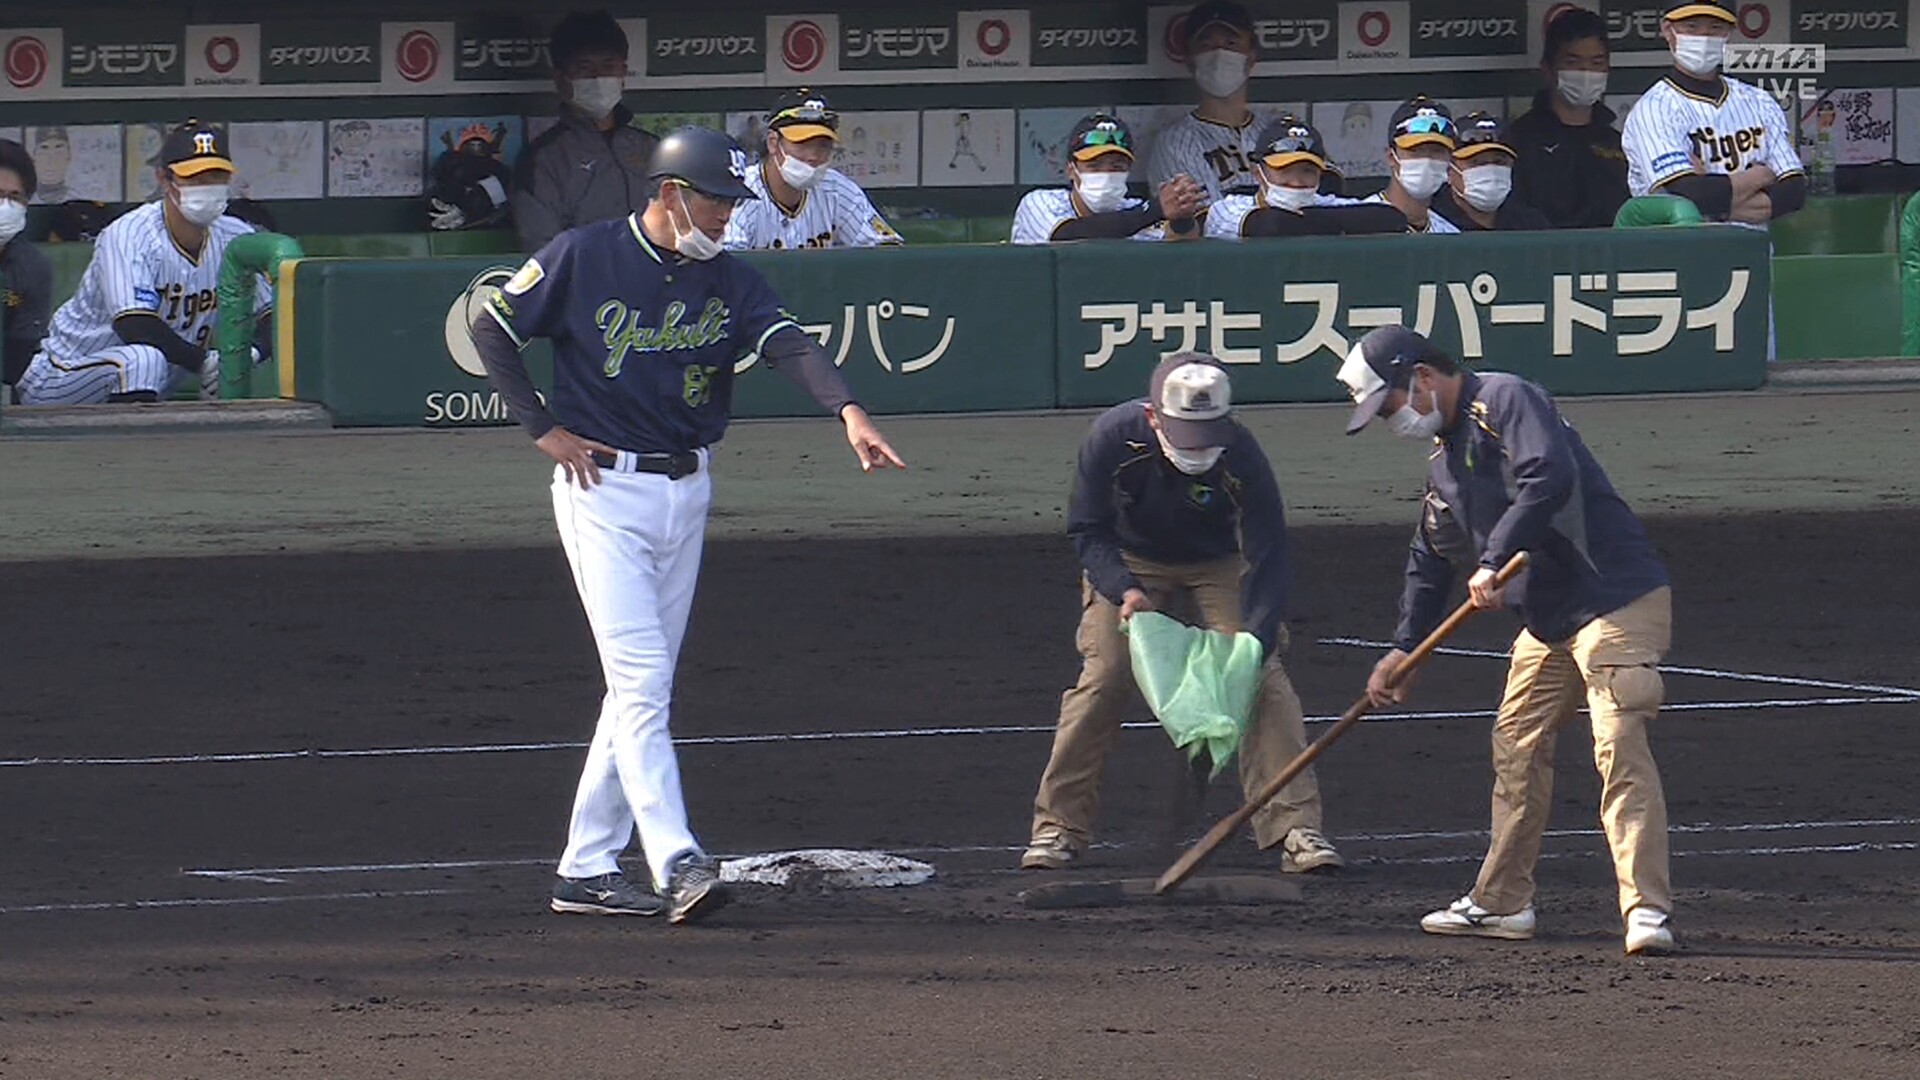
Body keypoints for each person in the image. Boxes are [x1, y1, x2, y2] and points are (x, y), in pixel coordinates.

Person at [470, 127, 906, 924]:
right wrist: (540, 428)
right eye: (718, 200)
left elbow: (789, 345)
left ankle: (586, 868)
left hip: (687, 491)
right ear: (671, 195)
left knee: (640, 688)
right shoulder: (584, 253)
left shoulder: (729, 278)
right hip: (602, 491)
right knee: (640, 680)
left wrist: (846, 408)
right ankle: (676, 857)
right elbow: (493, 325)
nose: (729, 215)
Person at [1336, 324, 1677, 957]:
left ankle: (1647, 910)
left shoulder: (1506, 398)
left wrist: (1495, 558)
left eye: (1388, 406)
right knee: (1515, 749)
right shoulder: (1444, 463)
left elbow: (1545, 475)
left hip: (1614, 600)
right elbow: (1430, 555)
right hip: (1548, 622)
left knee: (1618, 742)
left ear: (1423, 378)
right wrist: (1405, 648)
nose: (1391, 421)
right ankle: (1502, 902)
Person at [1023, 353, 1344, 877]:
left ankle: (1295, 826)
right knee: (1104, 677)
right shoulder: (1111, 439)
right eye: (1185, 433)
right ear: (1154, 417)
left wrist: (1257, 637)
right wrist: (1121, 589)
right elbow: (1087, 529)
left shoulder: (1242, 454)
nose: (1198, 446)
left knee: (1261, 675)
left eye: (1207, 432)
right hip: (1129, 560)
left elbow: (1268, 550)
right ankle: (1057, 829)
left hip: (1218, 562)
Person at [15, 121, 270, 406]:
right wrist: (204, 362)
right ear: (164, 179)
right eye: (194, 177)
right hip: (59, 375)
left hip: (141, 385)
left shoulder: (235, 237)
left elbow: (275, 314)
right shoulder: (129, 234)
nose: (206, 187)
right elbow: (134, 325)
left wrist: (245, 358)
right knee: (143, 359)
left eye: (216, 176)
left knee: (148, 364)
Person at [1621, 0, 1805, 227]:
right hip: (1677, 256)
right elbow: (1685, 196)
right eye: (1692, 26)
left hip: (1752, 257)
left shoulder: (1759, 102)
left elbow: (1794, 191)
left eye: (1715, 27)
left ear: (1729, 32)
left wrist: (1712, 198)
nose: (1704, 36)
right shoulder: (1653, 110)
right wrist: (1759, 177)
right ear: (1668, 30)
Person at [513, 10, 659, 252]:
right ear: (561, 79)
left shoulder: (653, 149)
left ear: (623, 73)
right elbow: (542, 250)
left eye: (608, 66)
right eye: (584, 67)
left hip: (657, 284)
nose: (598, 77)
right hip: (584, 285)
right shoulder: (542, 159)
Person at [722, 89, 903, 251]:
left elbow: (888, 253)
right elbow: (726, 268)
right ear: (773, 143)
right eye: (802, 143)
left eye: (823, 145)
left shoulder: (837, 190)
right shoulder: (740, 192)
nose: (813, 156)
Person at [1506, 7, 1631, 228]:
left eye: (1596, 63)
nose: (1586, 72)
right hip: (1546, 257)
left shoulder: (1619, 143)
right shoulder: (1518, 140)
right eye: (1573, 62)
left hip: (1613, 257)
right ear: (1548, 69)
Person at [1147, 0, 1265, 218]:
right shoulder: (1175, 143)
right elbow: (1205, 220)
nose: (1219, 53)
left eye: (1231, 43)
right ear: (1190, 61)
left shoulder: (1275, 129)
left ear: (1251, 58)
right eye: (1205, 45)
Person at [1011, 113, 1205, 244]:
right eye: (1094, 166)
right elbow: (1066, 236)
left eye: (1117, 167)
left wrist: (1182, 216)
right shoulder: (1039, 202)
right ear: (1071, 170)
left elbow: (1179, 238)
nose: (1105, 174)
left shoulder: (1133, 210)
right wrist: (1154, 210)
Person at [1205, 115, 1408, 239]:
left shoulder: (1321, 203)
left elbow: (1390, 218)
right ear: (1259, 173)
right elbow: (1272, 226)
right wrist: (1339, 224)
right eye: (1284, 169)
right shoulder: (1226, 208)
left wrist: (1312, 217)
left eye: (1307, 171)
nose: (1296, 181)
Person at [1431, 113, 1554, 232]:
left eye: (1499, 161)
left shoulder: (1531, 224)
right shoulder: (1433, 223)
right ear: (1450, 169)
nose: (1490, 170)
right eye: (1477, 162)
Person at [0, 139, 53, 405]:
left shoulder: (33, 266)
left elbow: (21, 353)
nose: (5, 206)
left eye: (15, 197)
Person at [1365, 97, 1460, 234]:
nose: (1427, 159)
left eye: (1437, 151)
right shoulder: (1358, 223)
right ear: (1391, 157)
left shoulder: (1450, 235)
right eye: (1415, 151)